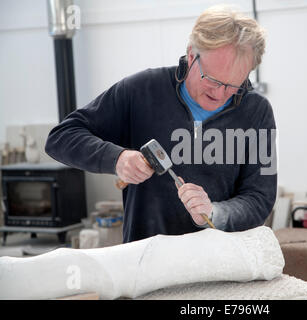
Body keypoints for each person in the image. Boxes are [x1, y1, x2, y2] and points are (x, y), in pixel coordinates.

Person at [45, 5, 277, 243]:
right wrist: (117, 158)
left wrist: (214, 214)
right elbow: (61, 137)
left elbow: (261, 197)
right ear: (191, 55)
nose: (219, 94)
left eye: (234, 86)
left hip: (222, 264)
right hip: (145, 263)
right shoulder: (141, 91)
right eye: (212, 80)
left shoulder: (257, 112)